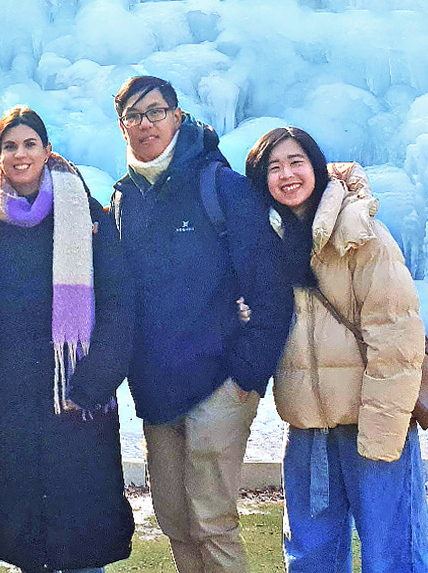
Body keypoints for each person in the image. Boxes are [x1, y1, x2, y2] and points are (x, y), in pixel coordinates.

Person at [107, 76, 292, 573]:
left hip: (218, 385)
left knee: (212, 521)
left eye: (156, 112)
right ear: (122, 125)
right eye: (133, 115)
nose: (146, 124)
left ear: (177, 115)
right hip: (157, 390)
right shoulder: (125, 197)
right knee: (174, 520)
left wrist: (245, 377)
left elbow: (270, 291)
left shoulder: (219, 185)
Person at [243, 126, 428, 573]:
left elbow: (397, 339)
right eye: (274, 167)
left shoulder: (362, 235)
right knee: (311, 558)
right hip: (309, 431)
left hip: (372, 425)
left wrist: (383, 434)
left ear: (316, 166)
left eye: (296, 163)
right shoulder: (270, 241)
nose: (286, 175)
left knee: (392, 557)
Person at [0, 106, 135, 573]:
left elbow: (120, 303)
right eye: (9, 145)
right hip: (9, 401)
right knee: (28, 539)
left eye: (29, 144)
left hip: (76, 397)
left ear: (46, 149)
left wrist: (94, 383)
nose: (20, 154)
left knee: (82, 536)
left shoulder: (84, 208)